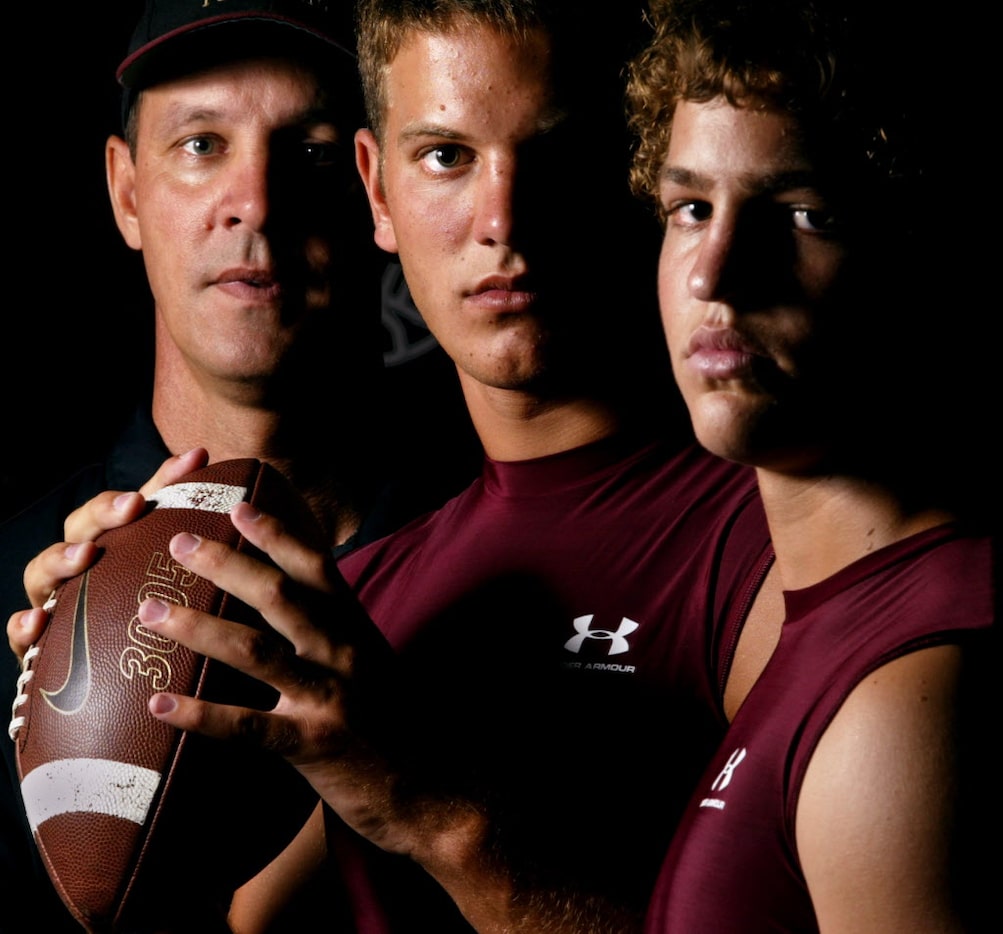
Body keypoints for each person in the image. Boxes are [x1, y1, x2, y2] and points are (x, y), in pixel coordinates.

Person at [9, 1, 776, 931]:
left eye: (551, 151)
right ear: (382, 190)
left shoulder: (774, 539)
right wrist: (110, 734)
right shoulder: (372, 583)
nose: (501, 220)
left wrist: (434, 811)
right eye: (447, 155)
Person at [0, 1, 476, 931]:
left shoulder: (480, 553)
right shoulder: (15, 583)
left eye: (308, 152)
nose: (254, 201)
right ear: (127, 192)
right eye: (201, 143)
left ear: (374, 192)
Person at [624, 0, 996, 930]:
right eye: (690, 208)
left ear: (912, 248)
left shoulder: (904, 697)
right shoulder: (830, 622)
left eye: (802, 213)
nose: (714, 273)